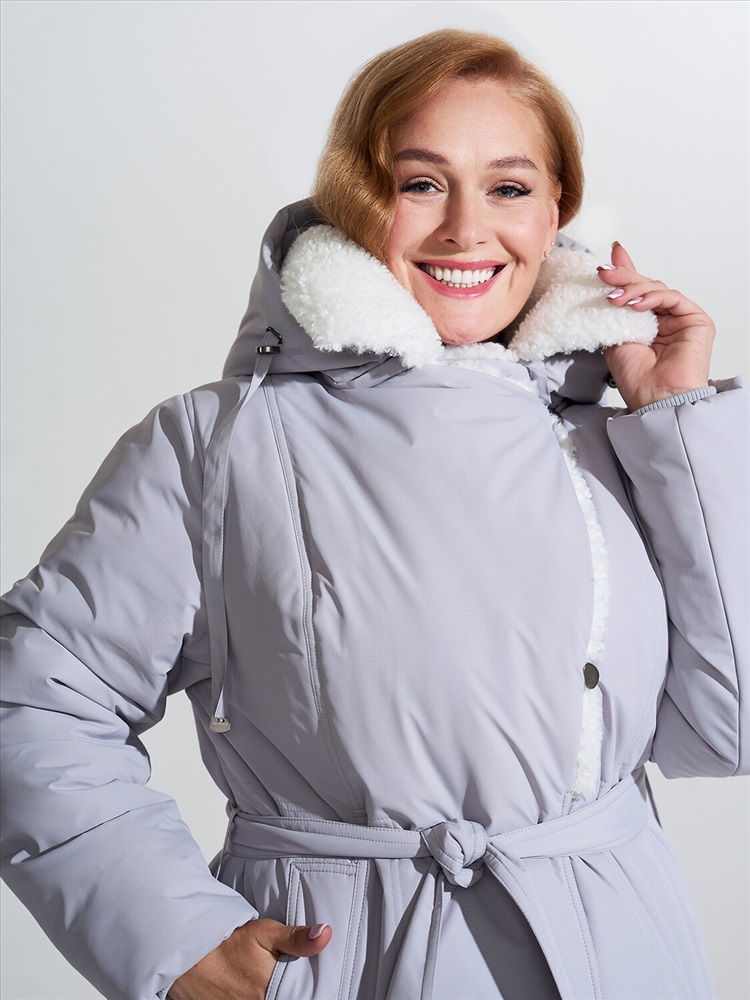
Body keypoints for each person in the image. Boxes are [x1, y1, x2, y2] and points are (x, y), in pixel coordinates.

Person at [1, 26, 746, 1000]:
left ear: (555, 207)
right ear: (356, 196)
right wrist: (173, 937)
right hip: (348, 959)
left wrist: (678, 420)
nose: (466, 230)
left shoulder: (624, 443)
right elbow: (35, 697)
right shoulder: (216, 444)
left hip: (616, 958)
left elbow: (728, 730)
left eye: (509, 187)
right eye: (421, 183)